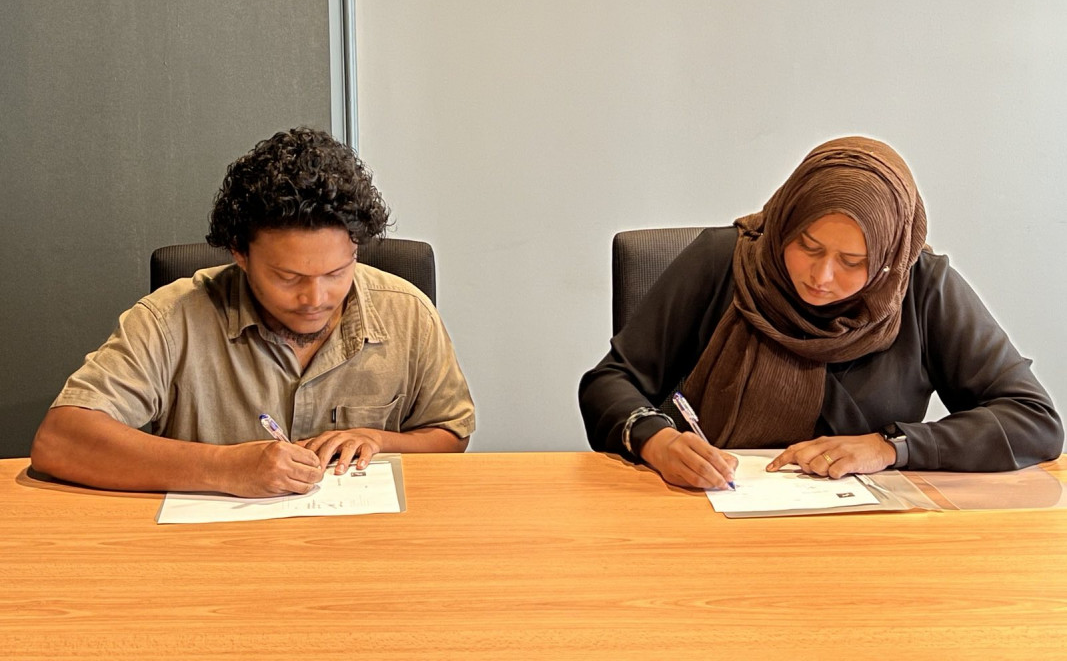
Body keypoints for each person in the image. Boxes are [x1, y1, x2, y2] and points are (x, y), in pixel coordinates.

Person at [578, 136, 1062, 490]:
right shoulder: (723, 262)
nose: (822, 276)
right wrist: (656, 440)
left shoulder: (920, 288)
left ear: (889, 258)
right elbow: (610, 381)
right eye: (807, 246)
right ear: (784, 221)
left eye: (853, 262)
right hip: (707, 510)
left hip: (863, 539)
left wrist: (890, 446)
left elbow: (1033, 420)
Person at [31, 127, 475, 497]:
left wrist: (378, 439)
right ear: (239, 253)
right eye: (288, 277)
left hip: (360, 551)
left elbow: (450, 434)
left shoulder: (407, 312)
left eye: (337, 273)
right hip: (213, 556)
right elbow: (60, 440)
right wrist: (224, 467)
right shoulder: (170, 320)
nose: (315, 298)